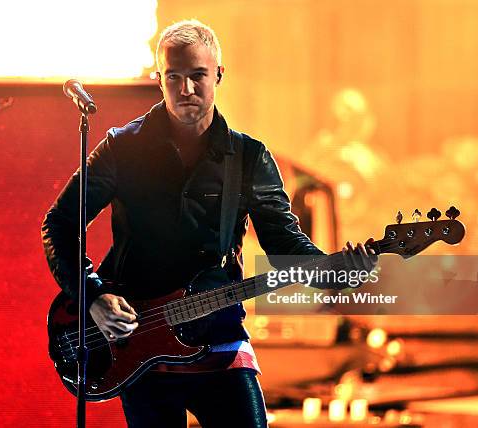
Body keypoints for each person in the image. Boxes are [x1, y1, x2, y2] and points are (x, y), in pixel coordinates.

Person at [42, 19, 376, 428]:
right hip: (139, 344)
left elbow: (286, 247)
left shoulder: (248, 157)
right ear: (158, 78)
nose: (186, 89)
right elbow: (59, 225)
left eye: (198, 75)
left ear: (218, 74)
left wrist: (336, 274)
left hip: (220, 337)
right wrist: (93, 296)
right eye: (174, 77)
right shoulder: (121, 148)